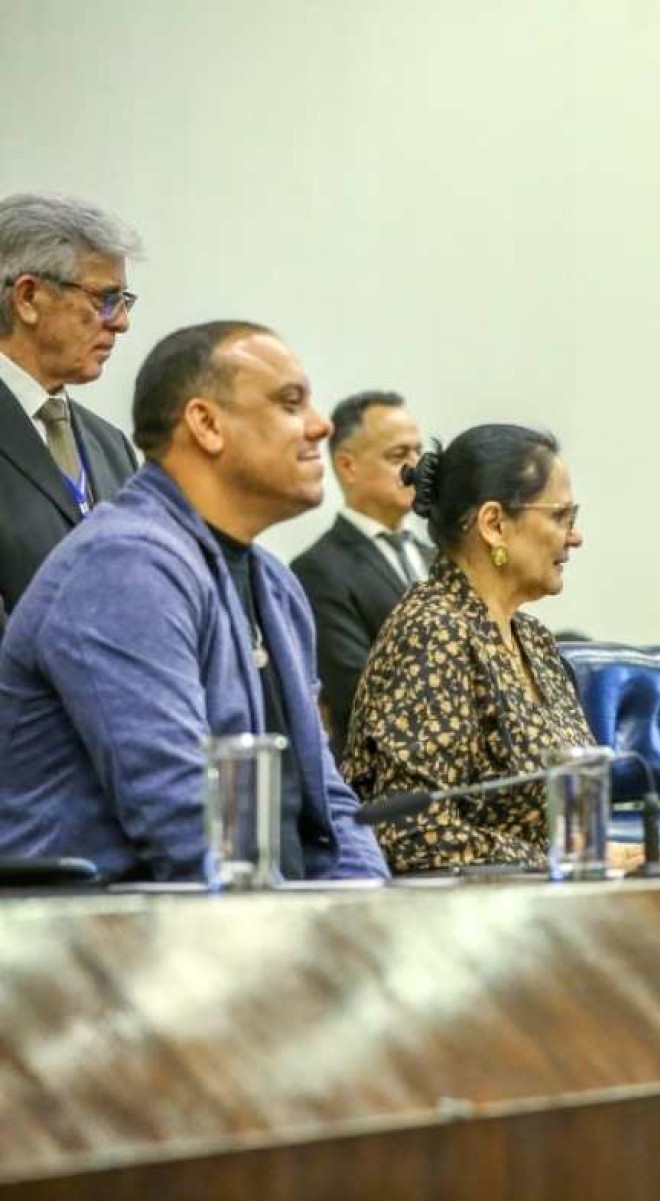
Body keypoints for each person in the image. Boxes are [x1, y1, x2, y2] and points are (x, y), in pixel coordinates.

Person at [0, 320, 387, 882]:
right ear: (205, 424)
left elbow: (327, 807)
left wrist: (365, 910)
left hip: (251, 920)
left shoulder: (274, 584)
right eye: (289, 403)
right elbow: (184, 822)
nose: (321, 426)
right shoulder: (123, 568)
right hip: (107, 943)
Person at [342, 424, 660, 873]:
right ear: (495, 524)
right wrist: (561, 858)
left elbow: (542, 826)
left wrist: (600, 850)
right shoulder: (433, 630)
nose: (574, 537)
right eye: (561, 517)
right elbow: (410, 833)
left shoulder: (534, 639)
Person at [0, 194, 143, 634]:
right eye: (105, 298)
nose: (121, 322)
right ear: (28, 297)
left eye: (124, 301)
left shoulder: (111, 445)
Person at [290, 390, 430, 758]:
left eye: (418, 452)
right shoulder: (318, 568)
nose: (415, 468)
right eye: (398, 455)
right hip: (379, 779)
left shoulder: (442, 559)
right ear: (347, 466)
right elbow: (357, 694)